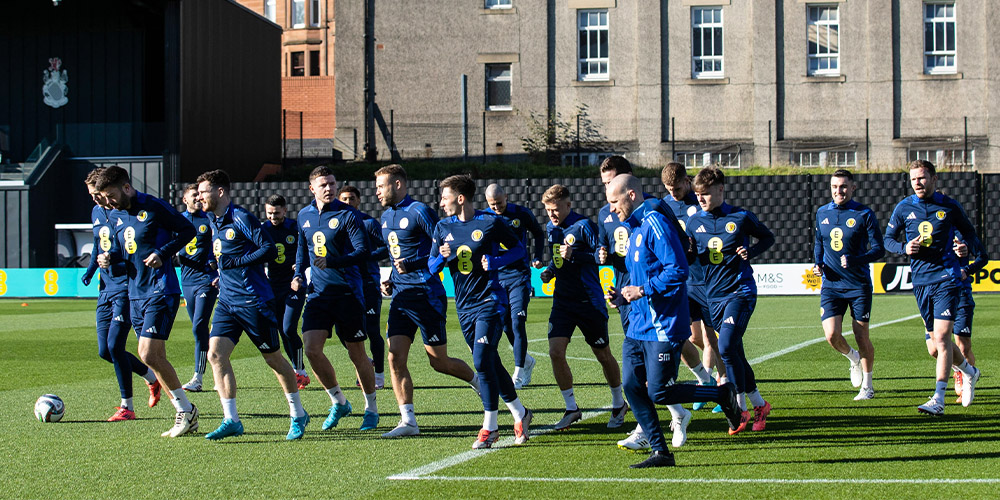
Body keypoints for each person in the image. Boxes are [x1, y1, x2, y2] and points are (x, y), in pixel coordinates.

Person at [605, 174, 742, 468]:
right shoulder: (633, 227)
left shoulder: (655, 221)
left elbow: (677, 270)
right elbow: (641, 272)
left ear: (631, 195)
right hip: (638, 324)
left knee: (659, 391)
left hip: (663, 324)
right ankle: (661, 451)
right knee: (631, 385)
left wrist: (642, 289)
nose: (612, 210)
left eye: (615, 202)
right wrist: (622, 296)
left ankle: (721, 394)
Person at [196, 170, 309, 441]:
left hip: (253, 300)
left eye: (203, 191)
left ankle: (298, 414)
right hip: (227, 302)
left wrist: (238, 262)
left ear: (220, 192)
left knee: (273, 359)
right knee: (215, 355)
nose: (200, 196)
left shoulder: (241, 217)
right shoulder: (214, 221)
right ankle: (231, 419)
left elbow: (267, 249)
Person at [374, 164, 481, 438]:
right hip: (401, 297)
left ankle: (480, 383)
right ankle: (408, 421)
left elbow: (445, 248)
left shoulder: (420, 212)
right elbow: (395, 256)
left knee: (439, 362)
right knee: (394, 356)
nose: (377, 192)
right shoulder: (385, 217)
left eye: (381, 186)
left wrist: (414, 264)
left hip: (426, 295)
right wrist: (391, 280)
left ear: (398, 185)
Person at [428, 175, 533, 449]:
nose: (441, 203)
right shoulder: (442, 227)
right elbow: (431, 267)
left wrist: (495, 260)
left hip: (490, 301)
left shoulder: (490, 222)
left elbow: (519, 250)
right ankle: (520, 413)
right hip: (463, 306)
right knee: (490, 362)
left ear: (460, 198)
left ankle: (490, 426)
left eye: (445, 197)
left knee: (480, 359)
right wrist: (441, 256)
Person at [94, 166, 198, 437]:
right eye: (104, 197)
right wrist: (109, 258)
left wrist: (163, 253)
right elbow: (121, 249)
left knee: (148, 354)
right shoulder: (116, 215)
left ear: (126, 188)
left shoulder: (154, 206)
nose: (108, 201)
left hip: (161, 289)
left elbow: (187, 231)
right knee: (153, 358)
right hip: (134, 293)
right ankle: (185, 412)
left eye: (111, 195)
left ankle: (186, 411)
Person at [884, 160, 986, 415]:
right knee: (934, 347)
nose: (918, 183)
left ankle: (938, 398)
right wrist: (903, 248)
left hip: (947, 279)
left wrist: (970, 253)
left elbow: (970, 234)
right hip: (920, 282)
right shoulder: (904, 207)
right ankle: (970, 371)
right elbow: (888, 239)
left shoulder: (949, 206)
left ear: (934, 179)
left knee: (942, 339)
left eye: (922, 178)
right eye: (914, 180)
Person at [686, 167, 775, 434]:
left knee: (725, 346)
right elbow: (693, 257)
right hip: (712, 296)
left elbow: (768, 237)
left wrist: (750, 250)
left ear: (721, 189)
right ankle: (760, 404)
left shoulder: (740, 217)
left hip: (739, 291)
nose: (701, 199)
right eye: (698, 194)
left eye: (706, 194)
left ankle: (739, 409)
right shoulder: (693, 222)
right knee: (735, 351)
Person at [294, 166, 380, 431]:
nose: (329, 188)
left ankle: (371, 408)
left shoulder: (349, 215)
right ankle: (339, 401)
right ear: (312, 189)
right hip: (318, 295)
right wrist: (298, 274)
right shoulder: (304, 216)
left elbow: (363, 251)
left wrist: (333, 261)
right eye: (323, 185)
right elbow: (302, 248)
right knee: (311, 349)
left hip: (348, 294)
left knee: (357, 354)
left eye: (332, 183)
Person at [538, 184, 627, 430]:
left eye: (555, 209)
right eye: (547, 210)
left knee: (603, 355)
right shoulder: (550, 228)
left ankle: (619, 403)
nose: (552, 215)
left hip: (589, 301)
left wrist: (574, 255)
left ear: (568, 205)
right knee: (556, 352)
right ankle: (571, 408)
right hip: (563, 301)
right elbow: (559, 259)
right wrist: (551, 271)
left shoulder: (584, 226)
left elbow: (602, 257)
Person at [82, 167, 160, 421]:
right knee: (104, 351)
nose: (95, 199)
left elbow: (130, 247)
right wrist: (92, 269)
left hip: (126, 288)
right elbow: (98, 246)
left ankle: (127, 406)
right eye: (92, 195)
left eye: (98, 194)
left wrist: (114, 258)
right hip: (105, 288)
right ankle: (151, 377)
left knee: (116, 345)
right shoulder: (96, 212)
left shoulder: (123, 211)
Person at [812, 170, 884, 400]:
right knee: (831, 335)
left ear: (853, 188)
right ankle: (853, 358)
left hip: (858, 285)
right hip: (831, 285)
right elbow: (819, 242)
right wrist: (818, 264)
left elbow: (879, 250)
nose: (838, 191)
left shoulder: (864, 214)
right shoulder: (822, 212)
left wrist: (856, 259)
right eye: (834, 186)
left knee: (861, 336)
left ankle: (868, 386)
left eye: (843, 186)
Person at [484, 183, 543, 389]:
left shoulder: (521, 214)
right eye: (492, 205)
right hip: (497, 276)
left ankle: (518, 372)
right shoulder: (485, 217)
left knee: (518, 321)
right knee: (506, 325)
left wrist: (536, 256)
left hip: (519, 274)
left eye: (499, 203)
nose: (496, 208)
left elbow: (538, 233)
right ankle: (526, 360)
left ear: (506, 197)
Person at [339, 184, 388, 389]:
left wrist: (366, 256)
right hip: (345, 284)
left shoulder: (368, 223)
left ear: (358, 201)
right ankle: (366, 363)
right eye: (344, 199)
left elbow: (386, 248)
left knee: (372, 329)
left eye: (351, 199)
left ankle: (378, 375)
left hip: (367, 283)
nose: (348, 202)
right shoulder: (334, 224)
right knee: (342, 330)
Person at [262, 194, 309, 389]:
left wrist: (298, 268)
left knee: (289, 327)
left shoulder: (294, 227)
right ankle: (296, 371)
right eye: (269, 213)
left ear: (285, 211)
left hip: (294, 284)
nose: (273, 217)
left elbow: (306, 251)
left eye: (277, 213)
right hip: (273, 285)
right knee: (282, 330)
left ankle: (301, 370)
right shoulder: (263, 229)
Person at [177, 183, 219, 392]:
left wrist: (217, 270)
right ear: (184, 200)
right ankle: (217, 364)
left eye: (199, 195)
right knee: (200, 329)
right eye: (193, 195)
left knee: (198, 326)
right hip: (187, 281)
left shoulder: (208, 219)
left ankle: (198, 377)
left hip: (206, 280)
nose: (197, 198)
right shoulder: (178, 222)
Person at [950, 237, 977, 403]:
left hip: (962, 294)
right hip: (939, 290)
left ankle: (967, 379)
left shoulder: (964, 231)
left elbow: (982, 256)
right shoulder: (930, 225)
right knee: (935, 346)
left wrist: (967, 268)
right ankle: (957, 369)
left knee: (963, 345)